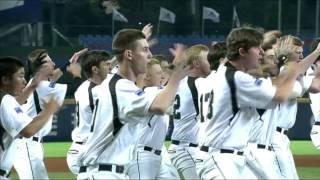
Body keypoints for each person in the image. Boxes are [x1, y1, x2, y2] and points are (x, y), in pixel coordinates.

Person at [77, 28, 188, 179]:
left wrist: (137, 45)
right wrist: (177, 74)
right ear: (129, 54)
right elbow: (160, 106)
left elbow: (118, 62)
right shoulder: (121, 87)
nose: (150, 55)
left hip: (106, 171)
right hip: (103, 172)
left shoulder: (112, 81)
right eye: (145, 50)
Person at [198, 27, 303, 179]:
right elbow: (280, 95)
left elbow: (262, 77)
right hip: (220, 158)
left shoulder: (221, 73)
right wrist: (292, 63)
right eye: (257, 48)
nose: (261, 52)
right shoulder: (237, 79)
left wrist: (279, 60)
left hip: (227, 156)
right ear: (242, 52)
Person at [13, 49, 71, 180]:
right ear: (43, 67)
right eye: (50, 61)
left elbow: (53, 78)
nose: (54, 63)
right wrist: (76, 71)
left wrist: (68, 63)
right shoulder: (42, 87)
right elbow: (76, 87)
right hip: (27, 145)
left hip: (28, 145)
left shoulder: (34, 84)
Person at [0, 56, 59, 179]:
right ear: (5, 79)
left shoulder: (5, 100)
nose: (24, 81)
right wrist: (49, 110)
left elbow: (12, 107)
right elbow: (28, 130)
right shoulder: (6, 100)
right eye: (20, 76)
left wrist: (32, 87)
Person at [272, 35, 320, 179]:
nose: (301, 55)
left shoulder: (296, 75)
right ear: (286, 52)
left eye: (301, 52)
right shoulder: (278, 71)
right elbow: (295, 71)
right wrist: (317, 52)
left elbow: (315, 87)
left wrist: (318, 72)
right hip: (272, 136)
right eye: (297, 52)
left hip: (281, 138)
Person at [126, 58, 179, 179]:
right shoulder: (151, 92)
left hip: (156, 154)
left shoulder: (148, 93)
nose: (163, 76)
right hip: (141, 155)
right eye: (159, 73)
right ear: (147, 76)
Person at [168, 44, 211, 179]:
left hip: (183, 146)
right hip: (186, 148)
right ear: (196, 63)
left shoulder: (181, 82)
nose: (210, 63)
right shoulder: (199, 84)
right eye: (207, 59)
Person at [66, 50, 113, 176]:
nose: (110, 67)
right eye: (106, 65)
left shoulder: (85, 87)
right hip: (87, 151)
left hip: (84, 149)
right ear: (95, 70)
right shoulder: (97, 91)